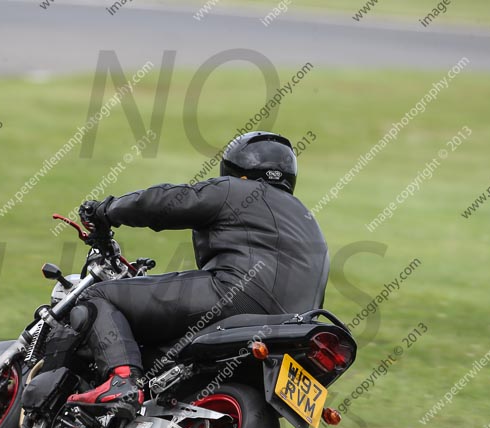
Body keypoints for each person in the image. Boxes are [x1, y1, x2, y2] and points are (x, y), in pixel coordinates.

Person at [66, 131, 329, 409]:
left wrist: (105, 211)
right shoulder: (312, 226)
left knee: (97, 297)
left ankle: (121, 380)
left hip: (233, 296)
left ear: (235, 169)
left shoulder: (235, 189)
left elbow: (163, 203)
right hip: (294, 328)